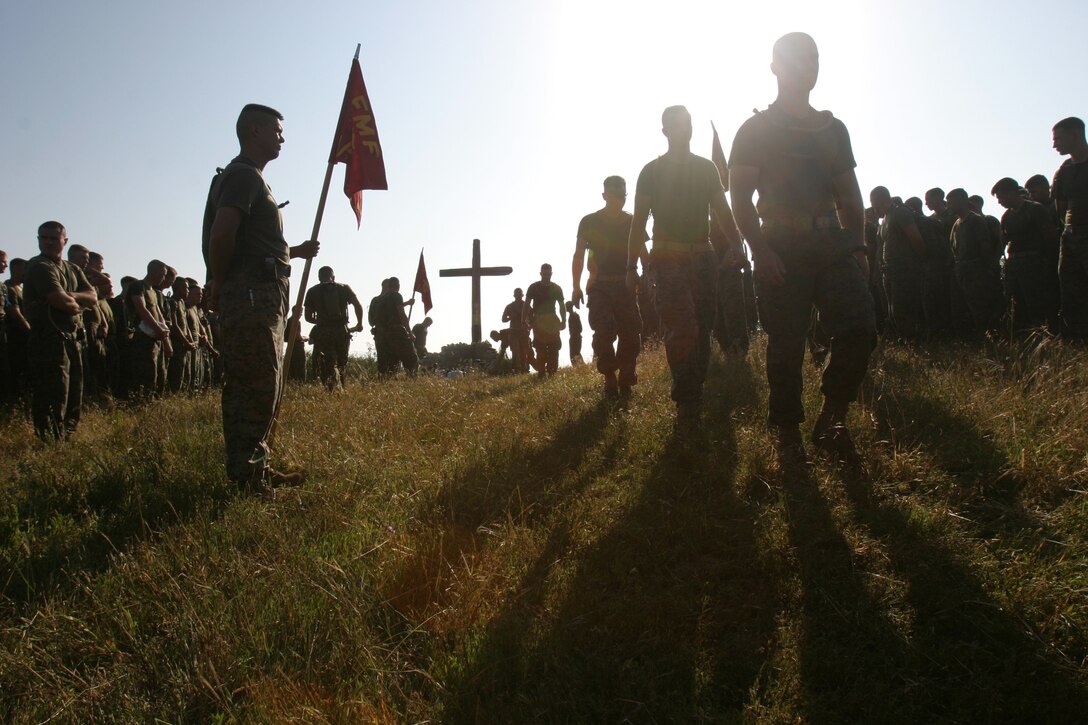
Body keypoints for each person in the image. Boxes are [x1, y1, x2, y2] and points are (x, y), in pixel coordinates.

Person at [729, 32, 876, 464]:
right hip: (780, 245)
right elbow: (739, 198)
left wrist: (860, 248)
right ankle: (788, 435)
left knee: (860, 329)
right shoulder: (755, 129)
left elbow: (850, 196)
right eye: (795, 59)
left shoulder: (832, 128)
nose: (806, 66)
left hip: (832, 244)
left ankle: (832, 420)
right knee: (786, 344)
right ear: (774, 66)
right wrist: (760, 249)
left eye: (813, 58)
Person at [203, 103, 318, 489]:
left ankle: (258, 465)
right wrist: (222, 283)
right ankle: (248, 476)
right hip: (250, 295)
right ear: (254, 131)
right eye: (277, 130)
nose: (282, 137)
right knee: (254, 382)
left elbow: (251, 240)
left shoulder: (251, 178)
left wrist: (295, 252)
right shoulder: (241, 176)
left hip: (262, 293)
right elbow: (222, 235)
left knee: (265, 382)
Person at [628, 105, 743, 426]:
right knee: (683, 328)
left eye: (688, 124)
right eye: (677, 125)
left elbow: (722, 210)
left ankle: (696, 388)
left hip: (704, 258)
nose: (684, 130)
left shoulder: (707, 169)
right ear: (665, 131)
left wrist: (737, 243)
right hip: (667, 260)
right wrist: (632, 267)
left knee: (703, 327)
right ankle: (687, 400)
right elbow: (637, 224)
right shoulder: (651, 172)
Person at [572, 175, 646, 396]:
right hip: (599, 287)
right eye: (614, 196)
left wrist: (648, 277)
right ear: (604, 195)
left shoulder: (633, 222)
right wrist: (575, 287)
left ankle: (626, 375)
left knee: (630, 332)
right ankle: (609, 377)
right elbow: (578, 255)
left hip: (625, 285)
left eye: (622, 196)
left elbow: (643, 252)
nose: (619, 201)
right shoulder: (589, 221)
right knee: (603, 332)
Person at [23, 222, 98, 440]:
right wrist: (73, 300)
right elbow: (61, 302)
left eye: (54, 239)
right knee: (53, 392)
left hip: (71, 337)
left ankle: (66, 436)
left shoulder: (72, 269)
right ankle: (49, 440)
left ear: (64, 241)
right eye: (43, 238)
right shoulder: (39, 266)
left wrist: (71, 296)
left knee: (74, 390)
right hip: (47, 338)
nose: (47, 242)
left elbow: (92, 297)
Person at [992, 177, 1060, 333]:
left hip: (1035, 264)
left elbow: (1050, 239)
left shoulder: (1036, 210)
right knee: (1016, 304)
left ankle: (1045, 335)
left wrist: (1047, 264)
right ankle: (1026, 337)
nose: (999, 202)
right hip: (1014, 265)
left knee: (1037, 303)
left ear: (1012, 193)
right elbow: (1002, 242)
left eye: (1001, 197)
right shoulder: (1006, 216)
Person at [870, 186, 926, 339]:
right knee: (893, 311)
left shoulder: (900, 213)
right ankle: (906, 342)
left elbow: (917, 240)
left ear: (879, 201)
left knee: (904, 310)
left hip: (904, 271)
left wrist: (917, 265)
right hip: (888, 272)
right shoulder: (884, 222)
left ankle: (915, 343)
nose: (874, 209)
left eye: (874, 204)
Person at [947, 188, 1004, 335]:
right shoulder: (956, 224)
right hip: (962, 272)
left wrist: (988, 270)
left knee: (982, 306)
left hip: (977, 272)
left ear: (961, 201)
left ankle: (991, 336)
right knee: (966, 307)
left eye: (950, 202)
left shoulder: (976, 221)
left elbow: (985, 248)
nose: (948, 206)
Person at [1051, 116, 1088, 339]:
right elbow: (1061, 210)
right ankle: (1078, 342)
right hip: (1071, 238)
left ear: (1075, 135)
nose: (1054, 145)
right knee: (1071, 292)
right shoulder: (1063, 172)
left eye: (1058, 139)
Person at [304, 265, 363, 390]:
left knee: (328, 363)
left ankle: (332, 390)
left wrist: (320, 320)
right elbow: (358, 305)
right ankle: (341, 387)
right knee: (342, 362)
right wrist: (359, 323)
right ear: (333, 277)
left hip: (323, 332)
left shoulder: (312, 291)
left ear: (319, 278)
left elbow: (307, 317)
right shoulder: (344, 288)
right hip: (342, 330)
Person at [124, 260, 171, 399]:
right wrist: (157, 329)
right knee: (144, 375)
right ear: (154, 272)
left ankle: (153, 404)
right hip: (142, 338)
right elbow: (142, 309)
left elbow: (160, 316)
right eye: (163, 274)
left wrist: (165, 338)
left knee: (158, 373)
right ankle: (141, 405)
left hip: (155, 338)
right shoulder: (138, 286)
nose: (163, 278)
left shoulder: (154, 292)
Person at [524, 263, 566, 377]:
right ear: (540, 273)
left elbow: (562, 306)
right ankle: (541, 372)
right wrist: (524, 320)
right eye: (544, 274)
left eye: (548, 274)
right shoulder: (533, 287)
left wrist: (564, 321)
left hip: (552, 319)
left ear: (551, 274)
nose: (546, 276)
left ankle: (552, 372)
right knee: (540, 347)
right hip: (538, 321)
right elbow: (526, 305)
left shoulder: (556, 288)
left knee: (554, 346)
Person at [373, 277, 417, 376]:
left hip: (381, 334)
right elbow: (401, 314)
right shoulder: (396, 295)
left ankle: (386, 383)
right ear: (398, 285)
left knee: (389, 364)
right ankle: (412, 381)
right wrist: (409, 332)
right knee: (411, 359)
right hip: (396, 332)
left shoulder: (380, 299)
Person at [502, 288, 529, 373]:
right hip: (513, 332)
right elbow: (503, 319)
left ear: (522, 295)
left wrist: (529, 327)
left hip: (523, 332)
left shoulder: (526, 305)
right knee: (516, 352)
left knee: (524, 352)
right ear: (514, 296)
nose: (518, 296)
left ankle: (524, 370)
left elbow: (532, 317)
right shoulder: (510, 306)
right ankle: (517, 370)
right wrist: (511, 317)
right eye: (517, 295)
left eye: (519, 295)